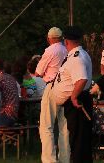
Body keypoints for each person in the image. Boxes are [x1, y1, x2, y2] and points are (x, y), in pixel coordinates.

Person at [54, 26, 94, 163]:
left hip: (78, 101)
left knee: (78, 138)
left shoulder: (77, 57)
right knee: (77, 137)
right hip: (77, 100)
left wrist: (73, 96)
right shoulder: (78, 54)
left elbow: (82, 79)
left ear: (66, 41)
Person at [36, 26, 70, 163]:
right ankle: (65, 158)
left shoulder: (50, 50)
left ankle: (49, 160)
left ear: (49, 38)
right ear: (61, 37)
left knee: (47, 125)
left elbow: (38, 71)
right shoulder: (67, 50)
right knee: (64, 126)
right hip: (66, 87)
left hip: (52, 85)